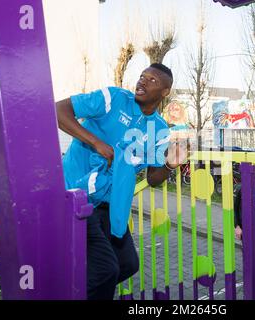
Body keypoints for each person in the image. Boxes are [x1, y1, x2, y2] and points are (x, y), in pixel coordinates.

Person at [56, 63, 187, 300]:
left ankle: (74, 287)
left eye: (152, 80)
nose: (143, 81)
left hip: (110, 204)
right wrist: (96, 142)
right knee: (106, 269)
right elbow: (58, 110)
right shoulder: (113, 98)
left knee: (127, 264)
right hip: (77, 196)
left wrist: (170, 164)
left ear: (165, 92)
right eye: (142, 76)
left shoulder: (159, 129)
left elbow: (153, 178)